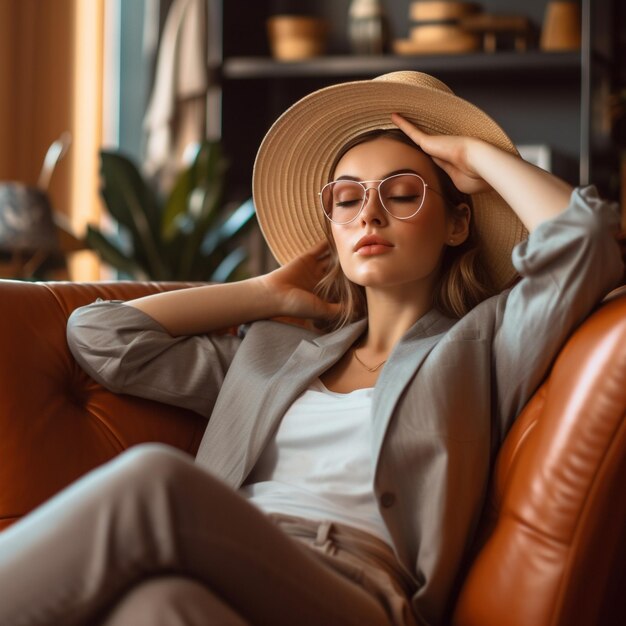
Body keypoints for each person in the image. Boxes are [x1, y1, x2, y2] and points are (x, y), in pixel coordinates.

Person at [0, 72, 622, 626]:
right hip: (222, 560)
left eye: (402, 193)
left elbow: (588, 239)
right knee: (156, 609)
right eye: (347, 199)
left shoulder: (483, 343)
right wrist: (262, 292)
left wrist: (472, 154)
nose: (369, 215)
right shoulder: (272, 352)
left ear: (457, 223)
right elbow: (100, 338)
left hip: (355, 587)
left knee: (157, 483)